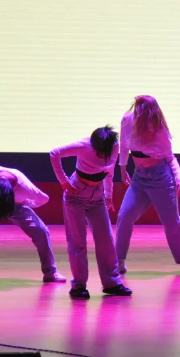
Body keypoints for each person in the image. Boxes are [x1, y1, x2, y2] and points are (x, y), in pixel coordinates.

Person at [115, 95, 180, 274]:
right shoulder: (127, 120)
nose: (138, 112)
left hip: (160, 177)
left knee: (171, 221)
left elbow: (170, 157)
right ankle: (118, 260)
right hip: (139, 177)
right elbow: (124, 146)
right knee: (125, 215)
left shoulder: (158, 128)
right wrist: (122, 169)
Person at [50, 126, 132, 299]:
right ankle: (78, 286)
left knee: (106, 240)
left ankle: (112, 283)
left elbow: (109, 172)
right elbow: (54, 153)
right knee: (78, 242)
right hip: (76, 194)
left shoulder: (114, 146)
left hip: (98, 195)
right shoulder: (83, 145)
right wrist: (63, 182)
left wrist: (108, 195)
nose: (102, 156)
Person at [0, 159, 66, 284]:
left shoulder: (24, 187)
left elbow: (44, 199)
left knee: (41, 231)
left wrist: (26, 202)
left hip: (16, 205)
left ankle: (50, 272)